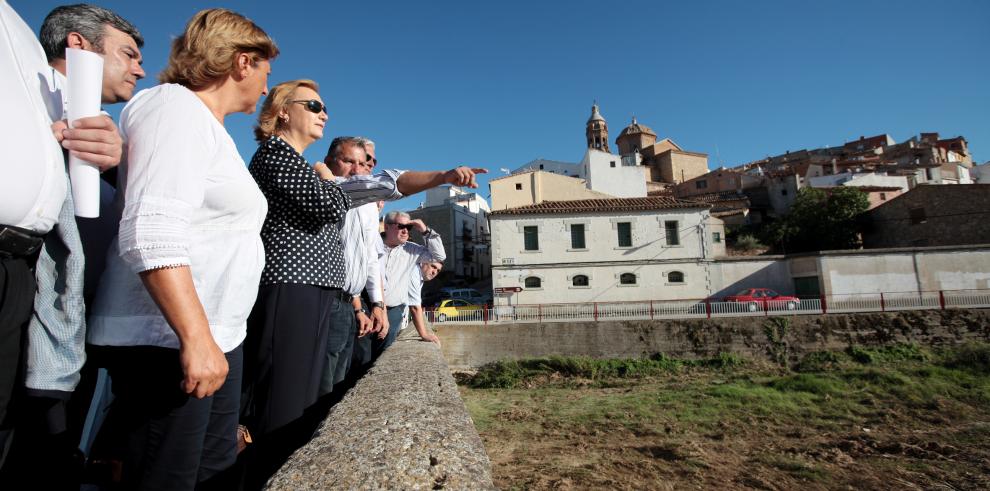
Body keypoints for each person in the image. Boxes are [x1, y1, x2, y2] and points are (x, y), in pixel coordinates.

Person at [86, 8, 277, 489]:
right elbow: (152, 231)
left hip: (213, 335)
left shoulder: (210, 128)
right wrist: (195, 339)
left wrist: (213, 340)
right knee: (166, 477)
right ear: (241, 63)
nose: (265, 89)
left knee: (212, 472)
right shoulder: (172, 108)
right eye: (265, 73)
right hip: (168, 340)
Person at [0, 1, 127, 485]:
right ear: (78, 45)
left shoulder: (94, 122)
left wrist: (114, 159)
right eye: (129, 53)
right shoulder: (28, 74)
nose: (140, 66)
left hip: (58, 297)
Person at [380, 212, 446, 352]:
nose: (405, 231)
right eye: (401, 226)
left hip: (393, 312)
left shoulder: (412, 250)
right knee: (360, 357)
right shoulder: (373, 244)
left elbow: (439, 256)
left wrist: (424, 230)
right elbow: (415, 306)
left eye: (408, 228)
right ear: (386, 227)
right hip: (367, 308)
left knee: (382, 353)